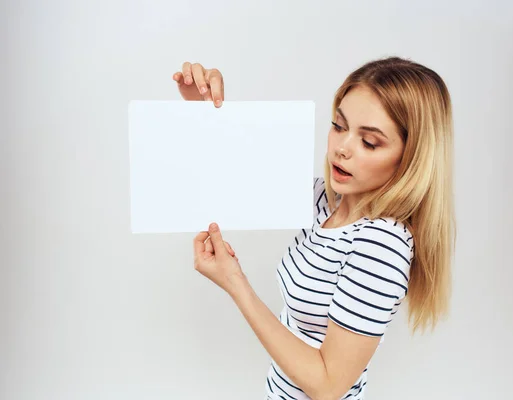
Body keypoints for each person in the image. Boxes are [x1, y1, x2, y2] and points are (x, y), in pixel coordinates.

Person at [177, 56, 456, 399]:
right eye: (339, 126)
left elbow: (328, 386)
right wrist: (202, 109)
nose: (342, 148)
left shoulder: (383, 245)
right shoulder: (326, 197)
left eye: (369, 142)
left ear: (410, 156)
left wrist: (235, 283)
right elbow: (233, 174)